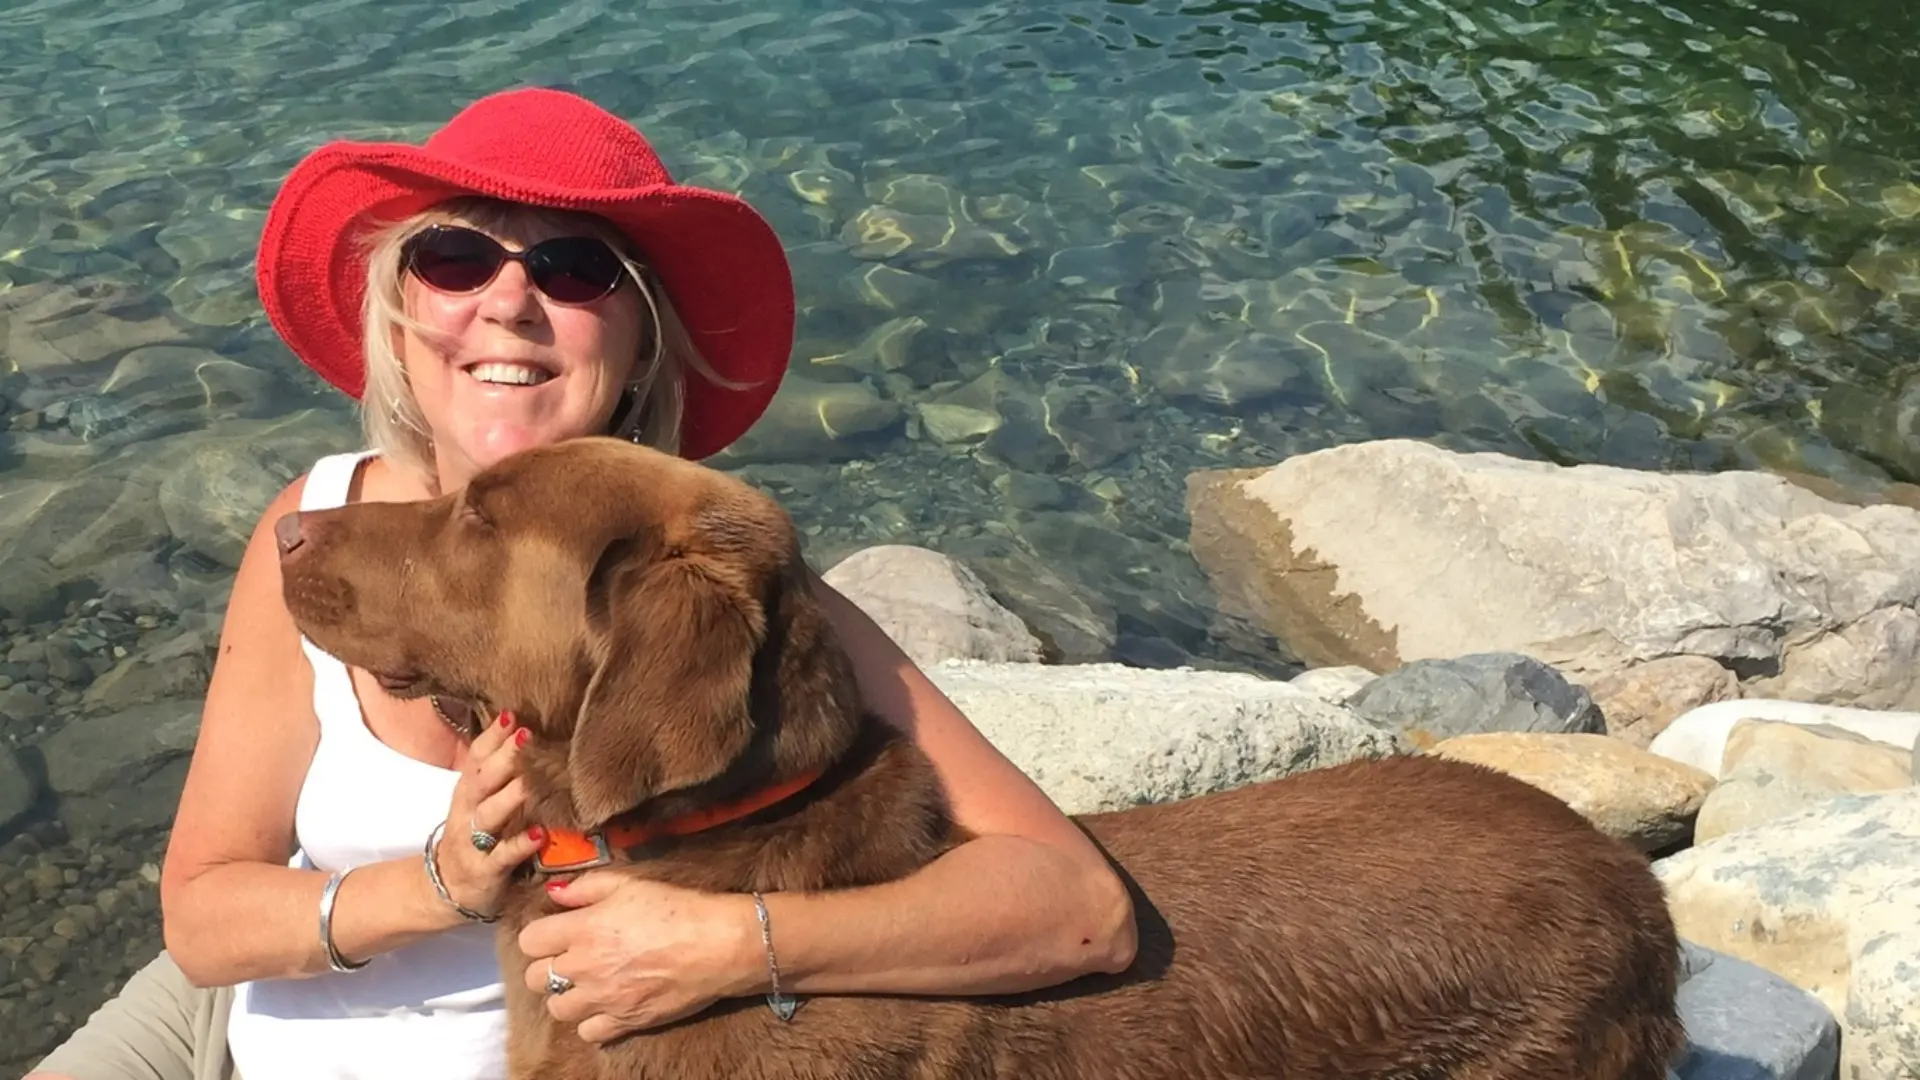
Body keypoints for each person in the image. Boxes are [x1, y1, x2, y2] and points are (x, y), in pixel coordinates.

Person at [29, 86, 1137, 1080]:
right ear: (404, 314)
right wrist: (441, 886)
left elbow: (1081, 912)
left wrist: (729, 943)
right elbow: (203, 915)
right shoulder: (321, 524)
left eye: (573, 269)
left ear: (643, 343)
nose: (508, 302)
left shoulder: (704, 586)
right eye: (457, 258)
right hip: (231, 1014)